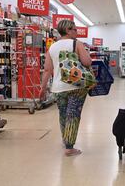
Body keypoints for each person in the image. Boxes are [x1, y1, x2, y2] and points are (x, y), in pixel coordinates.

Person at [40, 19, 92, 157]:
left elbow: (47, 70)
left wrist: (42, 88)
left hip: (58, 88)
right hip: (76, 86)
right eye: (75, 29)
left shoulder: (52, 47)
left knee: (63, 115)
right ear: (68, 30)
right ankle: (69, 148)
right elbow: (87, 62)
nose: (77, 32)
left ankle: (66, 140)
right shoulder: (77, 44)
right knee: (73, 115)